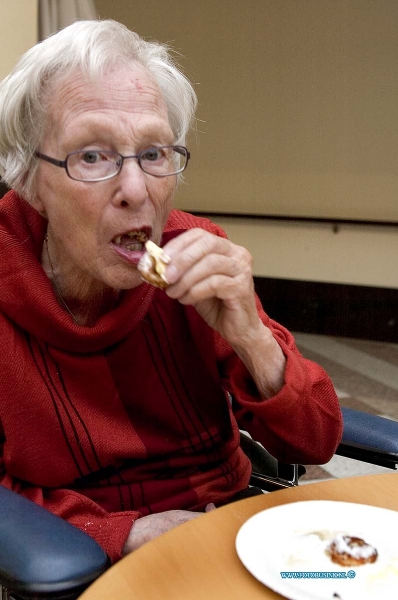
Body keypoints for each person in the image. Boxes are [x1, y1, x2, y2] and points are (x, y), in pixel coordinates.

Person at [0, 19, 342, 563]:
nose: (136, 192)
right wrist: (122, 533)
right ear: (28, 179)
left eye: (155, 153)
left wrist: (252, 338)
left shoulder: (198, 249)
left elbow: (315, 440)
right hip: (74, 555)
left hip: (228, 520)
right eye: (92, 156)